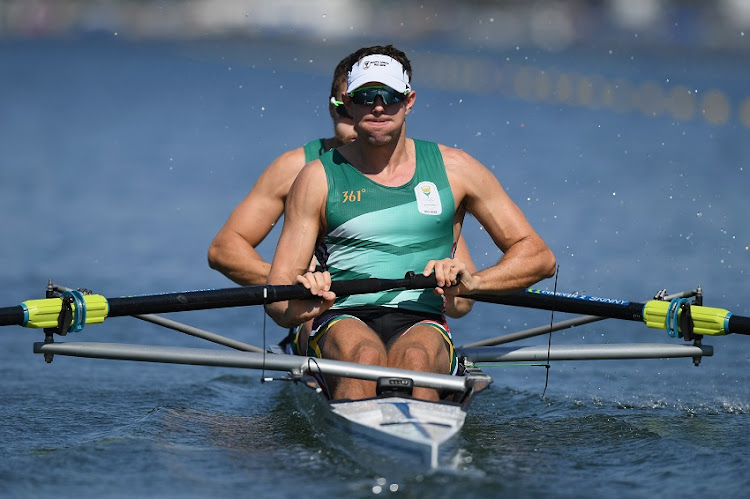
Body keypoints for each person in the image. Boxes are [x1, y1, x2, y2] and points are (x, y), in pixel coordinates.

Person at [265, 44, 556, 401]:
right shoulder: (316, 178)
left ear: (409, 100)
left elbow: (539, 257)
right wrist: (305, 300)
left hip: (423, 319)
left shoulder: (457, 169)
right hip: (342, 315)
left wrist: (476, 281)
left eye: (389, 95)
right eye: (366, 95)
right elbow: (277, 301)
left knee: (415, 360)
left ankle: (415, 445)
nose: (378, 106)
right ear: (346, 102)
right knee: (365, 358)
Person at [208, 51, 477, 353]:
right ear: (337, 107)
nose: (364, 120)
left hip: (408, 321)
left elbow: (461, 305)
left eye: (385, 100)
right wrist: (294, 282)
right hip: (322, 314)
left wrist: (452, 286)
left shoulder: (418, 178)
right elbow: (224, 250)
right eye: (354, 107)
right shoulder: (295, 168)